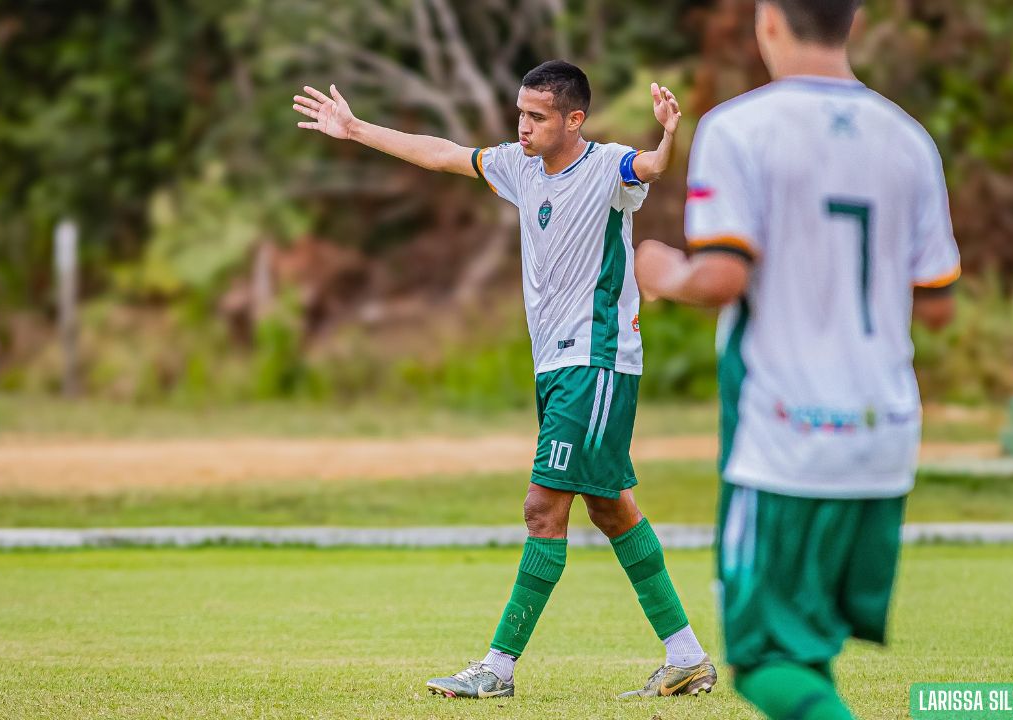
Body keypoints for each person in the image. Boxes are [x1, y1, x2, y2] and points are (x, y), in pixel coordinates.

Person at [292, 60, 716, 700]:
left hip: (595, 362)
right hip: (557, 368)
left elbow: (651, 169)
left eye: (537, 116)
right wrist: (355, 129)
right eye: (520, 113)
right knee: (609, 507)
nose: (522, 126)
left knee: (542, 509)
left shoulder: (608, 167)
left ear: (574, 119)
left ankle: (497, 668)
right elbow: (441, 155)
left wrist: (667, 135)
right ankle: (685, 656)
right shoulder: (520, 167)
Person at [633, 1, 959, 717]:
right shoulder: (908, 139)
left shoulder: (739, 128)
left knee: (760, 659)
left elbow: (722, 277)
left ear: (770, 22)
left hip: (786, 435)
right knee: (809, 651)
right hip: (885, 435)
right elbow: (936, 304)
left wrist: (662, 273)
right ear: (856, 22)